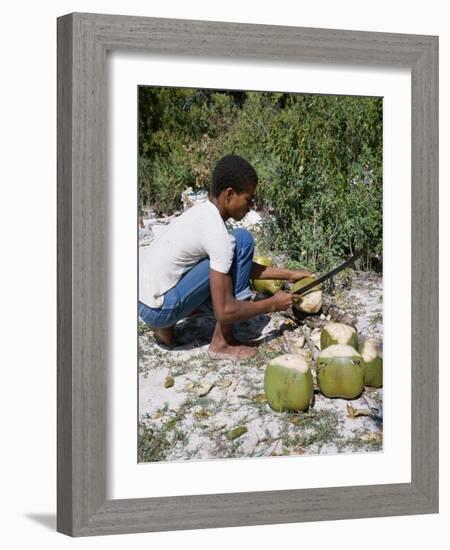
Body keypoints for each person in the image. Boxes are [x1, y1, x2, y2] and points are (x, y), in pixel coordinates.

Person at [139, 154, 312, 361]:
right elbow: (224, 311)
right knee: (242, 240)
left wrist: (289, 275)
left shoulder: (202, 213)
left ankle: (164, 327)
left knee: (236, 244)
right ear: (229, 195)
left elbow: (239, 266)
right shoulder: (217, 234)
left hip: (145, 303)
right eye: (248, 199)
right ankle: (222, 342)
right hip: (161, 308)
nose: (251, 206)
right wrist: (273, 304)